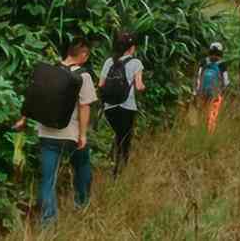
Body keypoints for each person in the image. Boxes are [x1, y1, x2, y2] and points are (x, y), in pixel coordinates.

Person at [13, 38, 96, 225]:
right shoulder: (83, 76)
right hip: (72, 135)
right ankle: (81, 205)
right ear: (82, 55)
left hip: (47, 133)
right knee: (82, 168)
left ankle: (47, 222)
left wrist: (23, 119)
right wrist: (82, 135)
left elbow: (33, 98)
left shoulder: (48, 72)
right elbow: (84, 107)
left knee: (48, 179)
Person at [99, 30, 145, 177]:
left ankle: (111, 165)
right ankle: (120, 171)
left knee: (115, 135)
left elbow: (101, 84)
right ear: (131, 48)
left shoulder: (109, 62)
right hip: (127, 107)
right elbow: (139, 86)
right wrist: (143, 87)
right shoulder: (136, 63)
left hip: (109, 107)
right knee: (124, 139)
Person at [196, 42, 228, 134]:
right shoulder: (222, 64)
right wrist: (223, 90)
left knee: (202, 110)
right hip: (215, 92)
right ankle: (210, 132)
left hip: (203, 91)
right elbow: (225, 81)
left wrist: (198, 90)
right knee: (213, 113)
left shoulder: (203, 62)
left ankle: (200, 130)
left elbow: (198, 76)